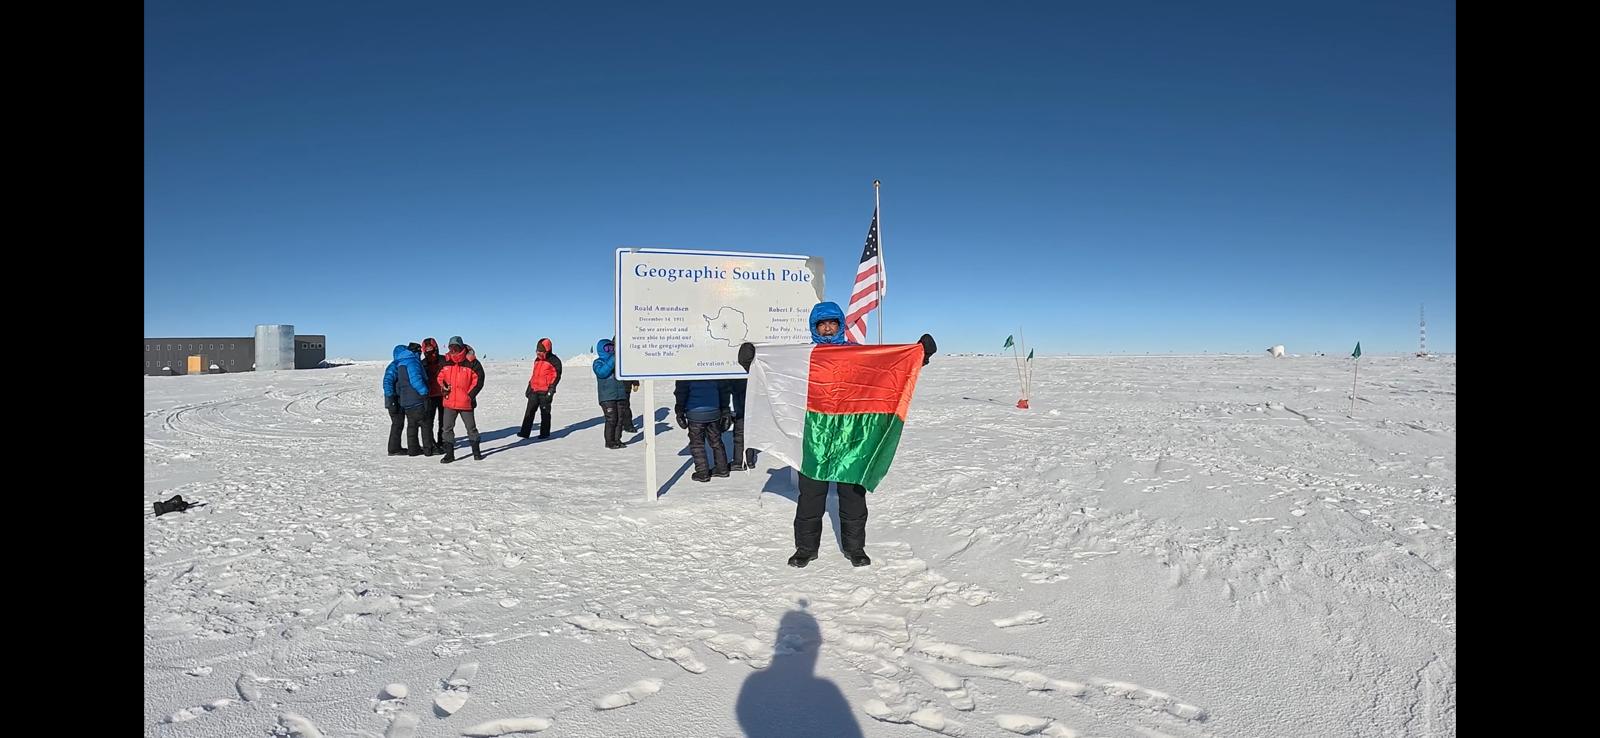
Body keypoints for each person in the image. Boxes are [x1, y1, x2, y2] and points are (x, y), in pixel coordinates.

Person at [738, 301, 936, 568]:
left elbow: (888, 370)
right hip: (814, 438)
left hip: (852, 437)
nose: (828, 328)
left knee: (853, 495)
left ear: (841, 326)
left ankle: (855, 548)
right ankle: (805, 548)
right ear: (814, 327)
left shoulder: (857, 355)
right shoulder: (802, 358)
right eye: (823, 324)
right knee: (810, 497)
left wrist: (919, 355)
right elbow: (775, 378)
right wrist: (752, 361)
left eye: (833, 323)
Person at [437, 340, 484, 463]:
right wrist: (443, 386)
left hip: (466, 403)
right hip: (449, 403)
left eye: (455, 348)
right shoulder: (445, 361)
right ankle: (449, 455)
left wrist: (470, 395)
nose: (453, 350)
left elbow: (478, 380)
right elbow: (440, 376)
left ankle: (476, 453)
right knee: (447, 428)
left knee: (471, 428)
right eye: (451, 347)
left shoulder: (472, 362)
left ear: (461, 347)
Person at [675, 379, 730, 482]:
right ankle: (722, 469)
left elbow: (681, 393)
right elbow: (723, 390)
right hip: (714, 410)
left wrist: (679, 412)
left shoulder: (686, 372)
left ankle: (702, 472)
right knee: (716, 441)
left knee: (697, 444)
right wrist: (725, 410)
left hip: (694, 413)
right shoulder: (715, 370)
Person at [382, 343, 432, 457]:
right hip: (395, 399)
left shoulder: (398, 363)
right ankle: (394, 448)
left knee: (406, 424)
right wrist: (391, 398)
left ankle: (402, 447)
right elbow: (387, 382)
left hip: (401, 399)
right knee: (398, 423)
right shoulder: (395, 365)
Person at [518, 338, 562, 439]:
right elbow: (534, 375)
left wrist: (551, 390)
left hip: (545, 391)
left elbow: (556, 377)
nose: (538, 353)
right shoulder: (537, 360)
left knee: (545, 413)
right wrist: (529, 387)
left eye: (540, 351)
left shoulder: (555, 361)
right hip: (534, 390)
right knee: (529, 411)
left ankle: (545, 433)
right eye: (537, 351)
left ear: (547, 350)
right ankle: (524, 432)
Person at [592, 338, 630, 449]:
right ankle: (609, 441)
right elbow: (602, 373)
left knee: (620, 419)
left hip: (620, 394)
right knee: (611, 419)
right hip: (607, 396)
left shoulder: (618, 362)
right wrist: (613, 360)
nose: (610, 350)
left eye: (612, 348)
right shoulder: (598, 362)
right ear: (601, 350)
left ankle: (617, 440)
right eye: (607, 348)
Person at [420, 337, 446, 453]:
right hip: (429, 396)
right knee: (429, 421)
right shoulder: (422, 364)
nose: (430, 352)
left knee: (444, 421)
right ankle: (431, 442)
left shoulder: (444, 360)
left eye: (432, 349)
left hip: (443, 395)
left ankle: (443, 441)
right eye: (428, 350)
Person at [720, 377, 750, 470]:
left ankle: (740, 461)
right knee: (748, 429)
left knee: (740, 431)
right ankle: (749, 460)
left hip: (741, 393)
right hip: (749, 390)